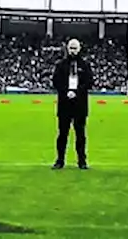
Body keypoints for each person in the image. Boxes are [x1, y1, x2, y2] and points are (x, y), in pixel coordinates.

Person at [51, 38, 93, 170]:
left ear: (79, 49)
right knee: (62, 134)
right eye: (71, 48)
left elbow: (89, 82)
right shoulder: (61, 65)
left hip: (80, 104)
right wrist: (66, 92)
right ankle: (60, 160)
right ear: (67, 49)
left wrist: (76, 92)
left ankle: (82, 161)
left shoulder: (85, 65)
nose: (73, 50)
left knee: (80, 134)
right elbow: (55, 81)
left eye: (75, 48)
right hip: (64, 103)